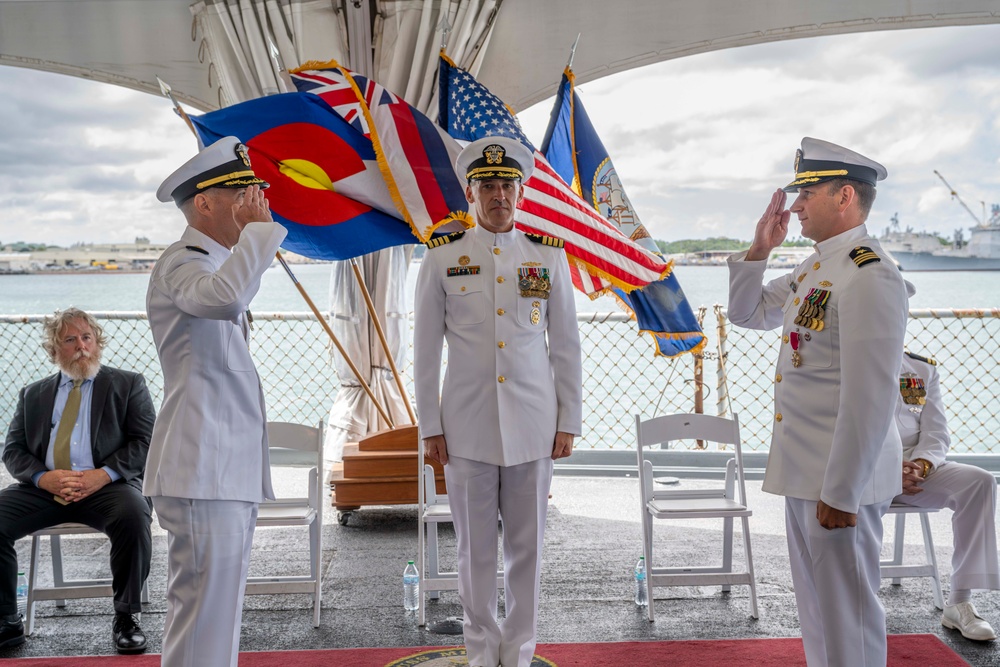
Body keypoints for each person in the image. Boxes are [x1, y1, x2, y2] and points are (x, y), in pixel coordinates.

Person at [727, 137, 908, 667]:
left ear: (845, 196)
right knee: (819, 614)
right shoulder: (816, 269)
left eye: (807, 193)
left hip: (838, 480)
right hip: (807, 471)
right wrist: (760, 248)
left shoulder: (868, 273)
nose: (796, 204)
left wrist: (843, 491)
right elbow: (746, 313)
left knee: (849, 617)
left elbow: (870, 396)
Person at [413, 136, 582, 667]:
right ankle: (483, 651)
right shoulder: (443, 258)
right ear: (471, 191)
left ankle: (521, 651)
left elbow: (566, 347)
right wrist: (429, 428)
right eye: (488, 185)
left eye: (507, 184)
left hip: (534, 425)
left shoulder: (546, 257)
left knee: (527, 551)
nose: (499, 194)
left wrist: (569, 420)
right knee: (474, 551)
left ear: (520, 191)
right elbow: (423, 352)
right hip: (466, 428)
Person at [145, 136, 286, 667]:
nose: (256, 205)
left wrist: (254, 240)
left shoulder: (212, 263)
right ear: (204, 203)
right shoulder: (183, 263)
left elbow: (233, 288)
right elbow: (224, 300)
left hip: (220, 471)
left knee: (216, 615)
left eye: (257, 195)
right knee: (204, 613)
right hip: (202, 468)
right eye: (244, 195)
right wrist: (259, 235)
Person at [0, 308, 155, 654]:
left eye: (87, 337)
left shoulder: (128, 384)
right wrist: (43, 477)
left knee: (133, 515)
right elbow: (13, 451)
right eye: (70, 340)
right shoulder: (33, 394)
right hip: (46, 490)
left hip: (108, 487)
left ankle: (126, 617)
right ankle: (7, 622)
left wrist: (104, 475)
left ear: (98, 343)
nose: (81, 346)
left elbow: (146, 442)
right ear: (54, 351)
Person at [892, 347, 999, 641]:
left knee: (979, 482)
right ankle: (854, 600)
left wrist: (921, 466)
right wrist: (886, 472)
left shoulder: (919, 369)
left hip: (915, 469)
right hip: (861, 471)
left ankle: (959, 601)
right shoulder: (842, 359)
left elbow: (936, 432)